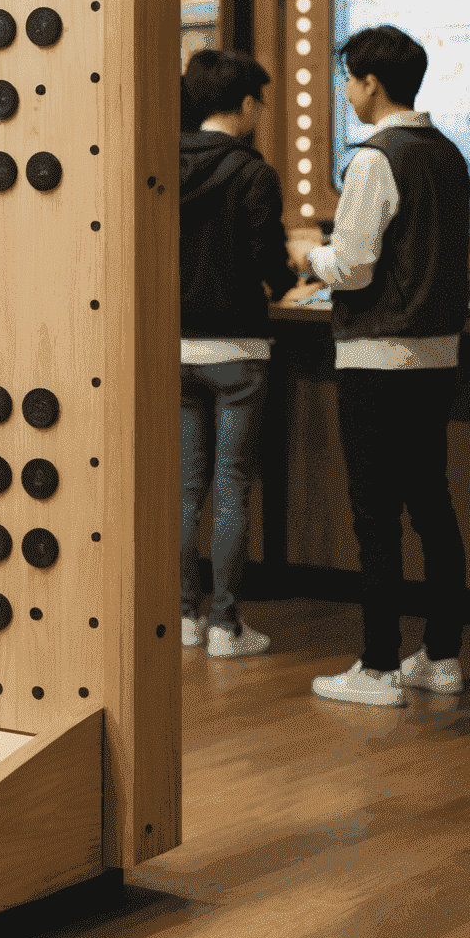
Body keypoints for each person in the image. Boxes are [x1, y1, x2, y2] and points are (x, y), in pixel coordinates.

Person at [300, 25, 470, 707]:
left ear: (370, 82)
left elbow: (352, 265)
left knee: (375, 514)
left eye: (349, 78)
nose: (347, 91)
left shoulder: (375, 159)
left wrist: (306, 254)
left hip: (376, 357)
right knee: (433, 505)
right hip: (438, 354)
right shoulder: (449, 155)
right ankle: (442, 654)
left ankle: (376, 667)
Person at [178, 51, 302, 658]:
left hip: (173, 345)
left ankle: (180, 617)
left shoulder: (162, 165)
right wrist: (287, 283)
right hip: (237, 347)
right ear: (245, 103)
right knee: (231, 486)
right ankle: (226, 626)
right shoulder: (253, 172)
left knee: (183, 488)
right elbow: (265, 259)